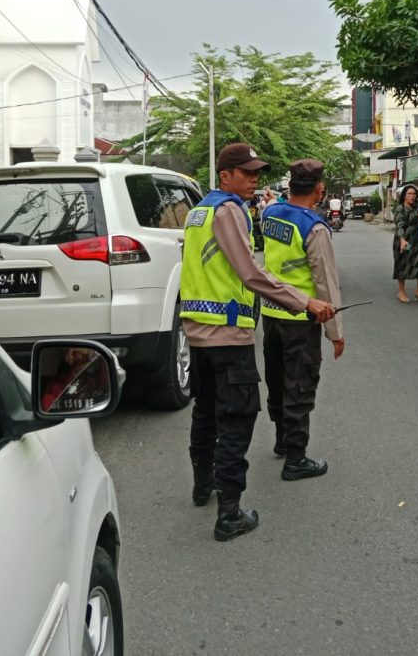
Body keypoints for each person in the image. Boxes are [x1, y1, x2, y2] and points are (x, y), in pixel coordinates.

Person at [181, 142, 335, 542]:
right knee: (235, 420)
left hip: (198, 331)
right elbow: (251, 273)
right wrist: (306, 301)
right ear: (225, 176)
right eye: (245, 173)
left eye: (256, 174)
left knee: (207, 411)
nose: (253, 180)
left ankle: (203, 486)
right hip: (228, 334)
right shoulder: (229, 210)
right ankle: (229, 512)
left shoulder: (199, 210)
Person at [261, 159, 345, 482]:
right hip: (301, 317)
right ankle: (296, 458)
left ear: (291, 185)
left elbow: (270, 207)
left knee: (278, 379)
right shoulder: (314, 226)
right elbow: (325, 283)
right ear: (319, 189)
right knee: (300, 383)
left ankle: (283, 439)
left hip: (270, 314)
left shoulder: (270, 214)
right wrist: (335, 333)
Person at [392, 184, 418, 303]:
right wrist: (402, 240)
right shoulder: (400, 208)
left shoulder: (415, 208)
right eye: (409, 194)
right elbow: (399, 224)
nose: (412, 196)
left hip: (414, 241)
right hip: (403, 241)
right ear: (404, 196)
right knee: (402, 266)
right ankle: (401, 292)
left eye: (414, 194)